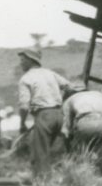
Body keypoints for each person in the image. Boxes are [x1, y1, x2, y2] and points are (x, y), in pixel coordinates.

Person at [17, 49, 70, 177]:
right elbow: (69, 86)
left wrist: (22, 124)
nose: (21, 64)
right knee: (63, 150)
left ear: (31, 60)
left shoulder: (26, 78)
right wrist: (61, 101)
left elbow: (24, 107)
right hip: (60, 115)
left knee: (40, 152)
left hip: (44, 116)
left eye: (23, 61)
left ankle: (44, 185)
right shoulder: (50, 73)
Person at [61, 81, 102, 172]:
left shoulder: (70, 99)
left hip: (86, 122)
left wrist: (69, 148)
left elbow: (66, 129)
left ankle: (80, 174)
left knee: (80, 155)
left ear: (70, 92)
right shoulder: (98, 94)